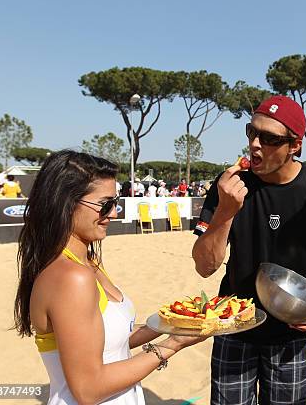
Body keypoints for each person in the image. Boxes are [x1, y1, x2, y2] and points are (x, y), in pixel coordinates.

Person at [13, 150, 206, 404]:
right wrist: (173, 344)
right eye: (105, 204)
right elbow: (88, 389)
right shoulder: (71, 277)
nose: (113, 213)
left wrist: (174, 323)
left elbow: (111, 342)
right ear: (66, 203)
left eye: (116, 202)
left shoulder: (88, 263)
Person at [191, 95, 306, 405]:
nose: (255, 144)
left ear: (295, 146)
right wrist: (225, 211)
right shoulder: (229, 186)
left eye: (269, 138)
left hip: (292, 331)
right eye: (252, 132)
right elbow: (204, 266)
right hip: (233, 325)